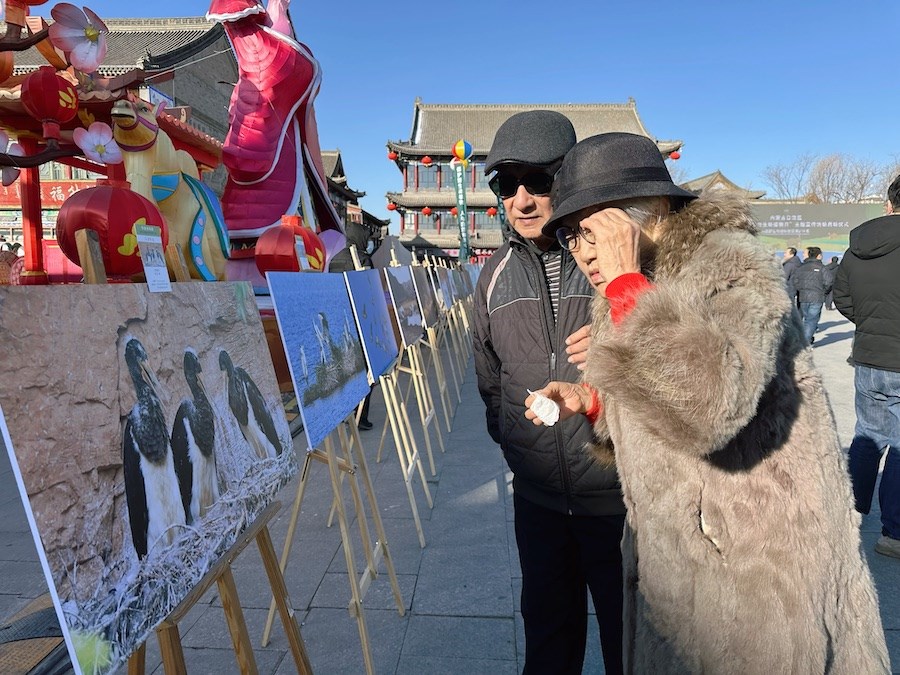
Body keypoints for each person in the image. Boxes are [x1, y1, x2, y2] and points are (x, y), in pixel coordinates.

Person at [525, 132, 888, 673]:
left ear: (654, 210)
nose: (584, 252)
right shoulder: (634, 287)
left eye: (595, 228)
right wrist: (595, 402)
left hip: (755, 562)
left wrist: (626, 287)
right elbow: (661, 409)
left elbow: (711, 407)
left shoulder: (725, 265)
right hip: (677, 560)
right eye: (571, 236)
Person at [472, 111, 626, 674]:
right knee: (547, 641)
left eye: (538, 180)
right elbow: (490, 378)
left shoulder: (614, 263)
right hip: (538, 502)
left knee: (631, 643)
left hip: (618, 501)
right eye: (506, 184)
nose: (522, 200)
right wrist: (518, 442)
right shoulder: (493, 275)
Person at [834, 174, 900, 559]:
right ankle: (894, 534)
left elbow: (842, 297)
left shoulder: (857, 246)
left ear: (889, 204)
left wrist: (871, 325)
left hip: (869, 357)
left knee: (869, 434)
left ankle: (850, 514)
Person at [329, 220, 374, 430]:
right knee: (364, 372)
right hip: (360, 323)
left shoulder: (335, 259)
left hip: (340, 322)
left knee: (344, 370)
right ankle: (360, 416)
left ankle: (344, 413)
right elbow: (369, 292)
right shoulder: (363, 259)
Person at [787, 245, 829, 344]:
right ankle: (805, 342)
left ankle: (806, 339)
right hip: (817, 297)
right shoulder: (822, 268)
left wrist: (801, 290)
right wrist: (823, 291)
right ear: (818, 255)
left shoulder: (801, 267)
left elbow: (795, 281)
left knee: (806, 320)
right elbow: (829, 282)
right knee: (811, 320)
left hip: (803, 297)